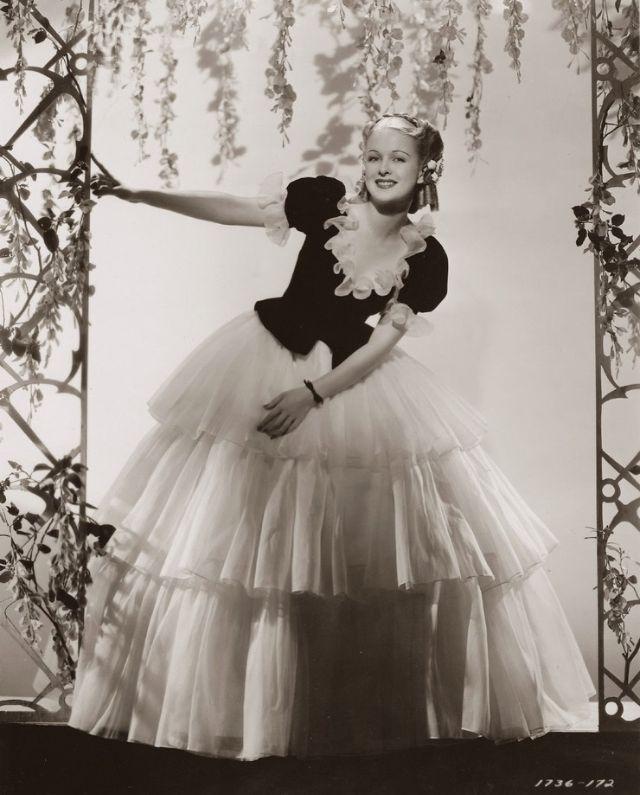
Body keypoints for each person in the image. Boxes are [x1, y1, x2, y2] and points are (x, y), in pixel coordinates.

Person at [65, 113, 595, 760]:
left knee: (337, 553)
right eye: (373, 156)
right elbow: (233, 208)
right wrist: (140, 194)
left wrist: (313, 394)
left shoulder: (425, 258)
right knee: (245, 542)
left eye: (398, 158)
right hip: (266, 358)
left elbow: (381, 344)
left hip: (344, 384)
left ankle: (331, 719)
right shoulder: (324, 206)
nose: (382, 168)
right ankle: (248, 714)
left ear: (424, 168)